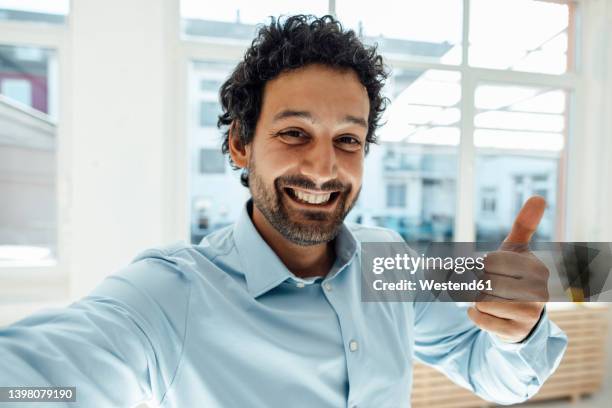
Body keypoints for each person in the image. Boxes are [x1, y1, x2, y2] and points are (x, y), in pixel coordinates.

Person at [0, 15, 566, 407]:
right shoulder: (172, 294)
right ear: (241, 146)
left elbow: (499, 377)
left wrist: (519, 330)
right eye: (295, 132)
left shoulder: (387, 261)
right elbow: (31, 385)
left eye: (348, 140)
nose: (323, 168)